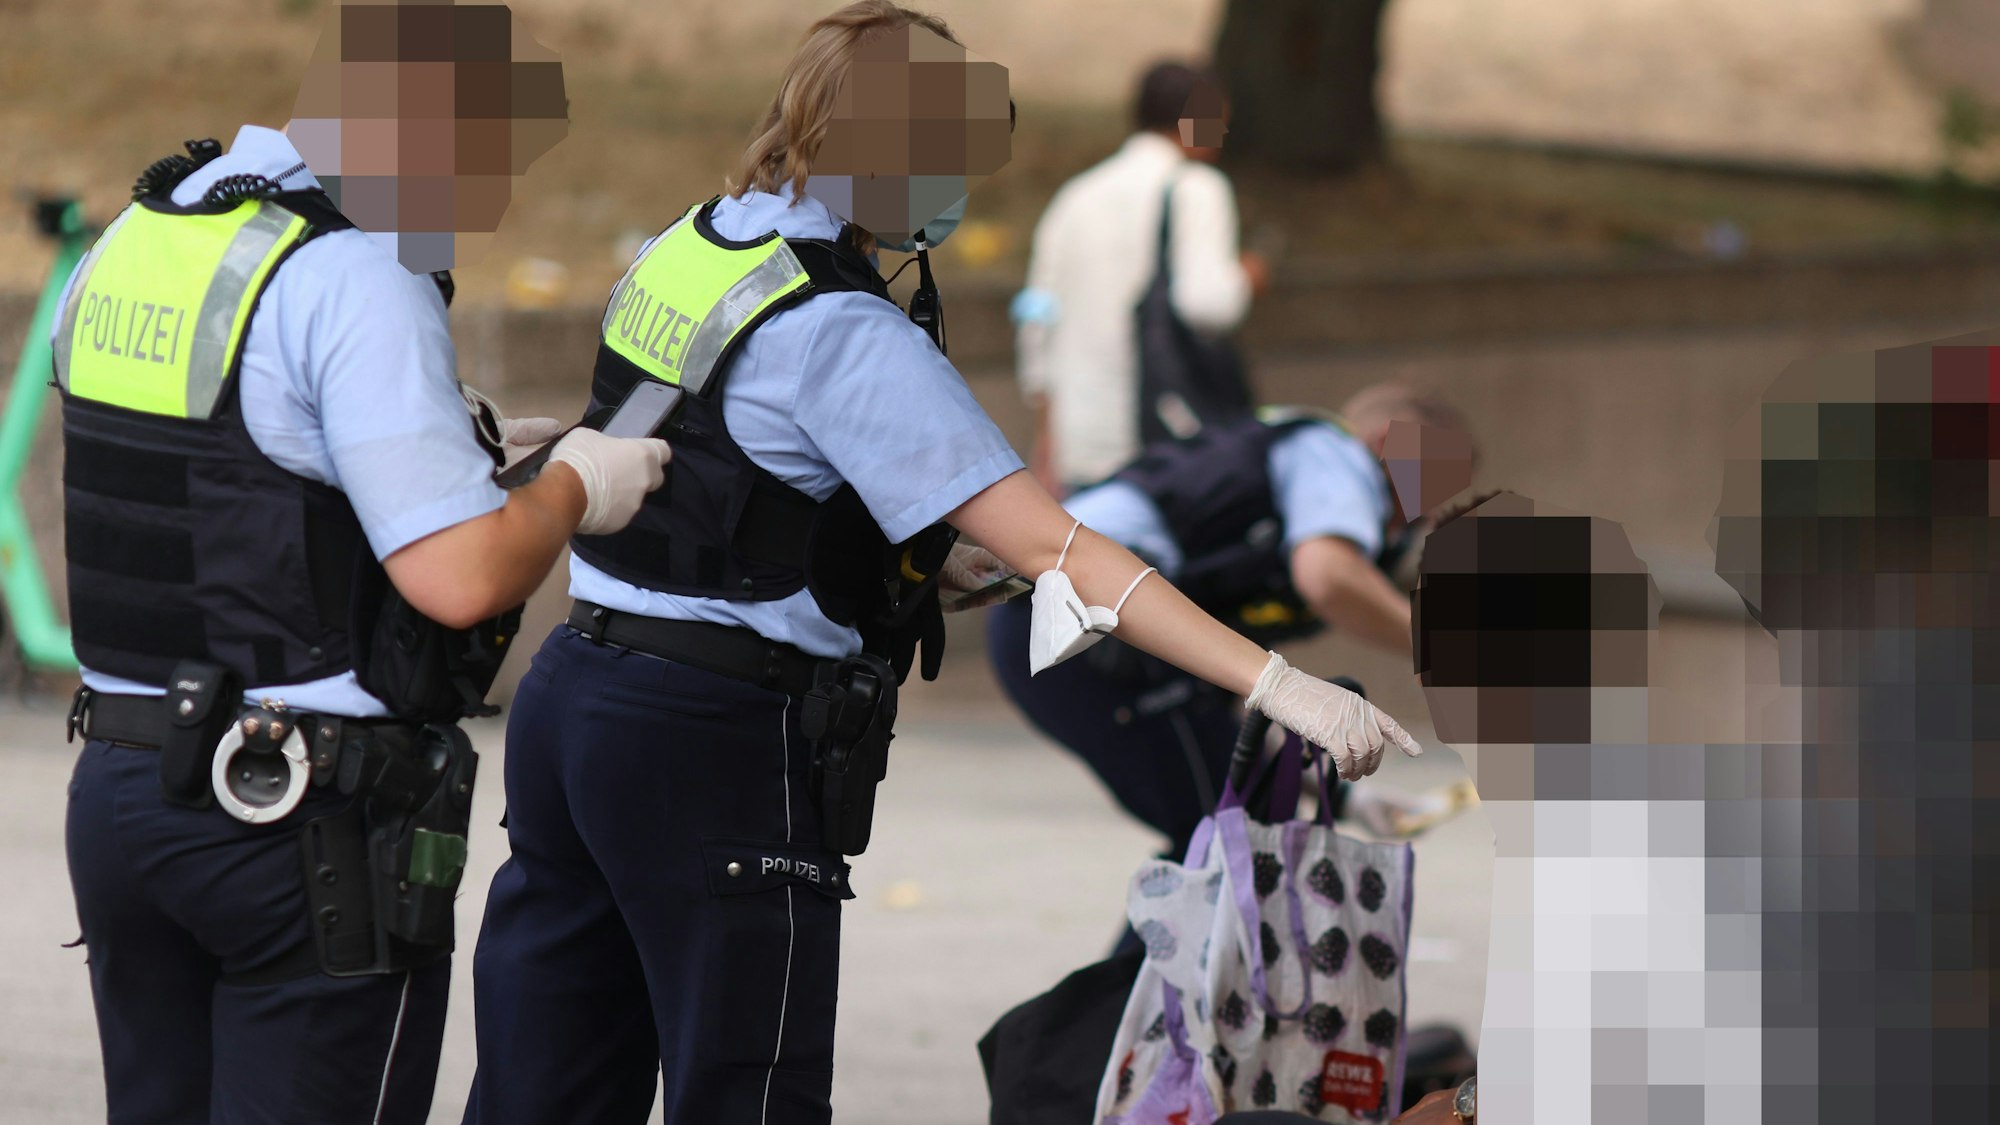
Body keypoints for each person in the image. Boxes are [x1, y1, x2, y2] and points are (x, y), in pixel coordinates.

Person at [459, 6, 1421, 1124]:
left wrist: (899, 557)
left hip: (577, 704)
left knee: (546, 1090)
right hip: (715, 744)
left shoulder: (696, 242)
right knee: (746, 1096)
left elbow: (713, 467)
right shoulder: (846, 328)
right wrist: (1275, 683)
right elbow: (1056, 545)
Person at [56, 6, 671, 1120]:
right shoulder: (354, 273)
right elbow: (461, 579)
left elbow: (231, 464)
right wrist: (578, 482)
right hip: (298, 823)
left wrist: (477, 448)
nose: (498, 194)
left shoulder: (138, 235)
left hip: (123, 791)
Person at [987, 384, 1476, 879]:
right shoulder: (1334, 454)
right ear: (1385, 442)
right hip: (1080, 625)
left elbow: (1220, 708)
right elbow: (1329, 575)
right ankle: (1158, 960)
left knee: (1240, 836)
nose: (1428, 514)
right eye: (1432, 483)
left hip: (1057, 624)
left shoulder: (1274, 482)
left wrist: (1348, 797)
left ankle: (1171, 957)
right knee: (1240, 841)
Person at [1015, 60, 1269, 495]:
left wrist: (1047, 434)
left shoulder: (1076, 196)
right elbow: (1209, 304)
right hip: (1167, 442)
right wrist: (1247, 277)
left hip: (1082, 441)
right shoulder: (1198, 187)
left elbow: (1036, 313)